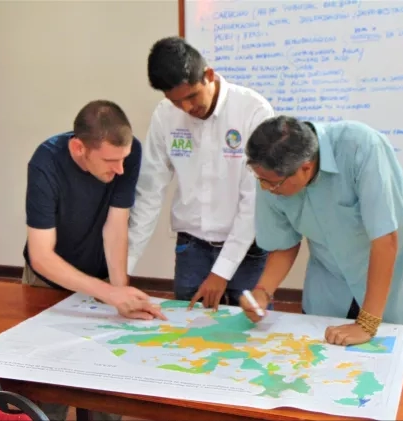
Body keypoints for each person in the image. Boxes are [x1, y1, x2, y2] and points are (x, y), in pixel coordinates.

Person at [22, 99, 165, 421]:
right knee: (48, 385)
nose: (120, 171)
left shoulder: (128, 155)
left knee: (103, 388)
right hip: (46, 283)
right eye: (111, 161)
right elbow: (41, 256)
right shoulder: (45, 162)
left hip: (100, 280)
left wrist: (120, 292)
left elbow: (116, 226)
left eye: (124, 160)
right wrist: (111, 294)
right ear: (78, 148)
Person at [240, 116, 403, 346]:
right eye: (260, 180)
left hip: (393, 292)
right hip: (330, 293)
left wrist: (367, 323)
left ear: (305, 168)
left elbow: (386, 239)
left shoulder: (361, 146)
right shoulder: (272, 172)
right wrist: (263, 292)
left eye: (271, 184)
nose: (265, 189)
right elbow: (283, 243)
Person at [127, 36, 275, 311]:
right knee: (188, 334)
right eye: (175, 101)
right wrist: (126, 264)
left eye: (191, 96)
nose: (186, 108)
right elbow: (149, 191)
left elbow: (254, 199)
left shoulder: (253, 111)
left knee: (250, 331)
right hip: (191, 248)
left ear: (208, 75)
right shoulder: (164, 117)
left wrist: (222, 271)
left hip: (246, 247)